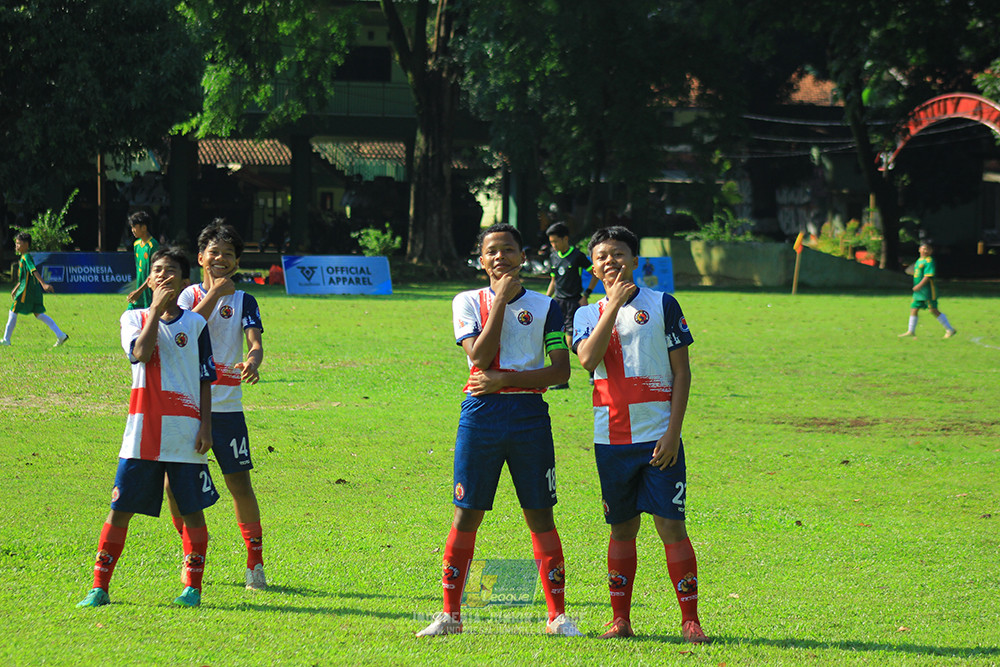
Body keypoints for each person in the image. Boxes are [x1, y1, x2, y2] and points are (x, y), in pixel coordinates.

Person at [417, 223, 581, 638]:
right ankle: (451, 615)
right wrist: (502, 303)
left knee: (540, 514)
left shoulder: (547, 309)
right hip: (481, 416)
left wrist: (506, 381)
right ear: (481, 259)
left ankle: (557, 617)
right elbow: (481, 358)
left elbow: (560, 370)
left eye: (509, 250)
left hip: (529, 416)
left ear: (523, 257)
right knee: (466, 512)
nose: (500, 257)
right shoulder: (467, 301)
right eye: (492, 251)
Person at [572, 225, 708, 644]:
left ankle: (690, 621)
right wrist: (612, 306)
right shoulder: (585, 314)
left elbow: (682, 372)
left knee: (672, 527)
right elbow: (587, 360)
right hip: (611, 440)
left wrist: (673, 432)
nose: (609, 261)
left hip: (659, 439)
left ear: (634, 259)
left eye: (617, 253)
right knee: (622, 529)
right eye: (601, 256)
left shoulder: (663, 303)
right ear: (592, 267)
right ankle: (620, 620)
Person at [77, 247, 219, 608]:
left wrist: (206, 426)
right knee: (119, 508)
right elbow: (140, 353)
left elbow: (206, 379)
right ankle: (99, 586)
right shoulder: (133, 318)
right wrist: (154, 310)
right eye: (157, 270)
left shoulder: (196, 324)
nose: (163, 276)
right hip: (141, 434)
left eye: (171, 271)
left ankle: (193, 588)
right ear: (149, 278)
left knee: (191, 510)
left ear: (185, 282)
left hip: (185, 433)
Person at [173, 220, 268, 590]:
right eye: (215, 252)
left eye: (229, 254)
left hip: (227, 407)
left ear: (237, 261)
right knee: (175, 486)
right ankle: (192, 554)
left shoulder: (245, 300)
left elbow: (255, 343)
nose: (221, 259)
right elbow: (189, 328)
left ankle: (254, 563)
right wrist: (215, 292)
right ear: (201, 257)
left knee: (239, 484)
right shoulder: (185, 296)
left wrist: (253, 361)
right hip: (184, 404)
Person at [544, 222, 599, 390]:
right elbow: (554, 281)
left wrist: (586, 295)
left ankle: (593, 372)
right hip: (558, 303)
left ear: (565, 238)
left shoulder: (577, 256)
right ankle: (562, 380)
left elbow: (595, 274)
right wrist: (546, 300)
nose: (553, 245)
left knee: (571, 341)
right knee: (558, 341)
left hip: (574, 303)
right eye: (551, 242)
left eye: (556, 242)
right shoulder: (553, 257)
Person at [2, 232, 68, 347]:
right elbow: (23, 277)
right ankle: (60, 335)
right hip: (32, 291)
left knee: (13, 310)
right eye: (16, 243)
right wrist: (15, 288)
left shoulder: (26, 257)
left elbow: (34, 271)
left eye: (19, 243)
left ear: (26, 245)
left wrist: (43, 284)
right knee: (39, 314)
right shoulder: (24, 257)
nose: (16, 246)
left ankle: (6, 340)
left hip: (26, 291)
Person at [898, 242, 956, 339]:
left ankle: (950, 329)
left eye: (928, 249)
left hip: (927, 290)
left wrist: (919, 286)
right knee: (914, 308)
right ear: (919, 249)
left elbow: (928, 276)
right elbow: (911, 271)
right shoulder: (919, 261)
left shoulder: (929, 261)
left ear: (931, 251)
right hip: (919, 291)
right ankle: (910, 331)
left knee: (933, 309)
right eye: (923, 248)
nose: (925, 251)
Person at [126, 210, 160, 310]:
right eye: (131, 227)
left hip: (148, 293)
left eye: (134, 227)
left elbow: (153, 272)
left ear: (144, 227)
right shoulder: (136, 244)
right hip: (139, 292)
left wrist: (139, 291)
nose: (132, 230)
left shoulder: (152, 245)